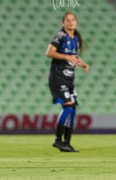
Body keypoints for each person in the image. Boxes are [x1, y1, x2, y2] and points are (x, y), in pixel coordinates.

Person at [45, 11, 89, 152]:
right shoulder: (60, 36)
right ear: (63, 23)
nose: (71, 22)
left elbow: (73, 57)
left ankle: (67, 143)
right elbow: (49, 52)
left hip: (69, 79)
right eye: (68, 20)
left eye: (73, 20)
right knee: (68, 107)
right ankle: (58, 140)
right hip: (58, 78)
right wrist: (66, 57)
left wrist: (82, 64)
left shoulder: (75, 38)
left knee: (73, 109)